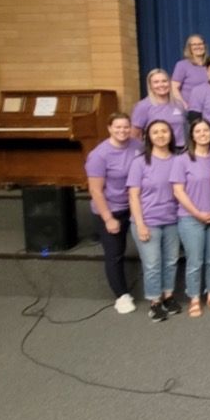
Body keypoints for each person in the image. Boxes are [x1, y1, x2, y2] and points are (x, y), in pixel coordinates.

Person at [126, 120, 182, 323]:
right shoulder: (140, 162)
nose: (160, 135)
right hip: (147, 220)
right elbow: (133, 195)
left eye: (164, 131)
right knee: (152, 263)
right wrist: (140, 224)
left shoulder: (178, 160)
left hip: (172, 220)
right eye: (155, 132)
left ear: (171, 134)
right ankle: (155, 302)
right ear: (148, 137)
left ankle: (168, 296)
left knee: (171, 261)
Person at [85, 112, 141, 314]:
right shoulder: (99, 155)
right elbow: (95, 190)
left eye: (126, 127)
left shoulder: (137, 146)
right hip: (111, 209)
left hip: (133, 207)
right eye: (118, 127)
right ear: (109, 128)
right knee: (115, 254)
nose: (122, 131)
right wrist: (108, 218)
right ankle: (121, 295)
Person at [171, 117, 210, 317]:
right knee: (195, 260)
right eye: (198, 131)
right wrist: (197, 213)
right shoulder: (183, 159)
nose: (203, 134)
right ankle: (194, 297)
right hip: (191, 217)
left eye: (206, 130)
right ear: (192, 135)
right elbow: (178, 191)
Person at [132, 68, 188, 145]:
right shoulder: (143, 106)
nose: (161, 85)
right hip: (156, 151)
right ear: (150, 86)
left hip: (179, 150)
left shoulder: (178, 104)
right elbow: (135, 134)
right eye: (156, 82)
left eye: (164, 81)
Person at [171, 34, 208, 105]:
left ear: (204, 46)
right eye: (194, 45)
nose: (198, 47)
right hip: (190, 109)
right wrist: (184, 105)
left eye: (200, 44)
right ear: (189, 48)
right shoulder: (182, 65)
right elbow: (174, 88)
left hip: (208, 107)